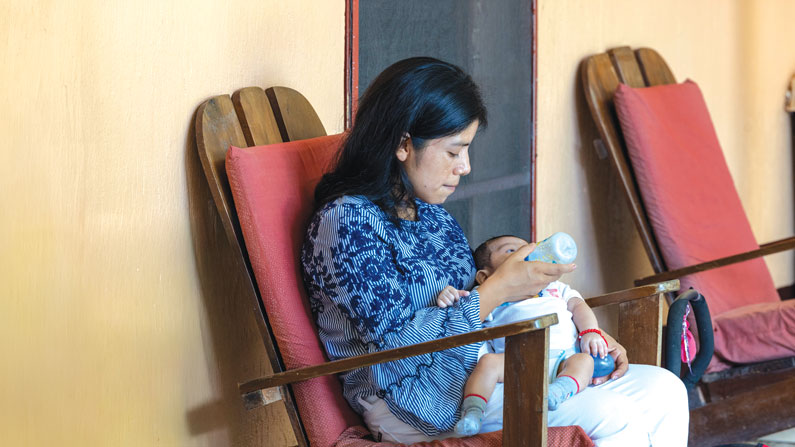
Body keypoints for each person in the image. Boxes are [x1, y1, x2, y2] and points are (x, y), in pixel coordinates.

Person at [301, 56, 688, 446]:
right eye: (454, 152)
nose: (465, 167)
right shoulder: (347, 223)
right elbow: (396, 345)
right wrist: (500, 288)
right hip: (420, 399)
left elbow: (482, 307)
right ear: (403, 144)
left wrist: (584, 338)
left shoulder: (433, 218)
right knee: (610, 417)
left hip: (485, 370)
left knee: (663, 390)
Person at [439, 235, 611, 436]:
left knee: (584, 361)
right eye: (511, 251)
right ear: (485, 277)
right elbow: (464, 315)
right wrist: (450, 296)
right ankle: (473, 413)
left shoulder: (554, 288)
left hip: (564, 359)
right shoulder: (490, 296)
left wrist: (590, 331)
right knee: (488, 364)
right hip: (516, 363)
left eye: (528, 248)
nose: (525, 253)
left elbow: (579, 306)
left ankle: (559, 391)